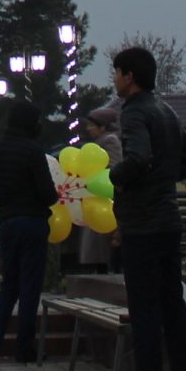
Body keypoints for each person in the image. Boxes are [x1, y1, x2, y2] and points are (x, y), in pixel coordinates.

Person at [102, 45, 186, 371]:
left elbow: (138, 158)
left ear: (129, 76)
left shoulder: (134, 112)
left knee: (144, 312)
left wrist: (112, 178)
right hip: (168, 221)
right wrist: (162, 180)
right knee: (173, 308)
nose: (114, 79)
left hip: (142, 224)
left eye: (116, 72)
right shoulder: (166, 110)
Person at [0, 98, 55, 364]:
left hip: (6, 224)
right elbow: (47, 193)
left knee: (9, 285)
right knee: (30, 286)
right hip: (33, 223)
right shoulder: (33, 151)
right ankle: (24, 347)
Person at [76, 106, 121, 274]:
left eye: (92, 126)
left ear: (103, 126)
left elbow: (114, 165)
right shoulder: (99, 142)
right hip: (95, 195)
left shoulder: (109, 141)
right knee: (97, 243)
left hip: (103, 196)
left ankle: (105, 272)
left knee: (102, 242)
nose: (89, 129)